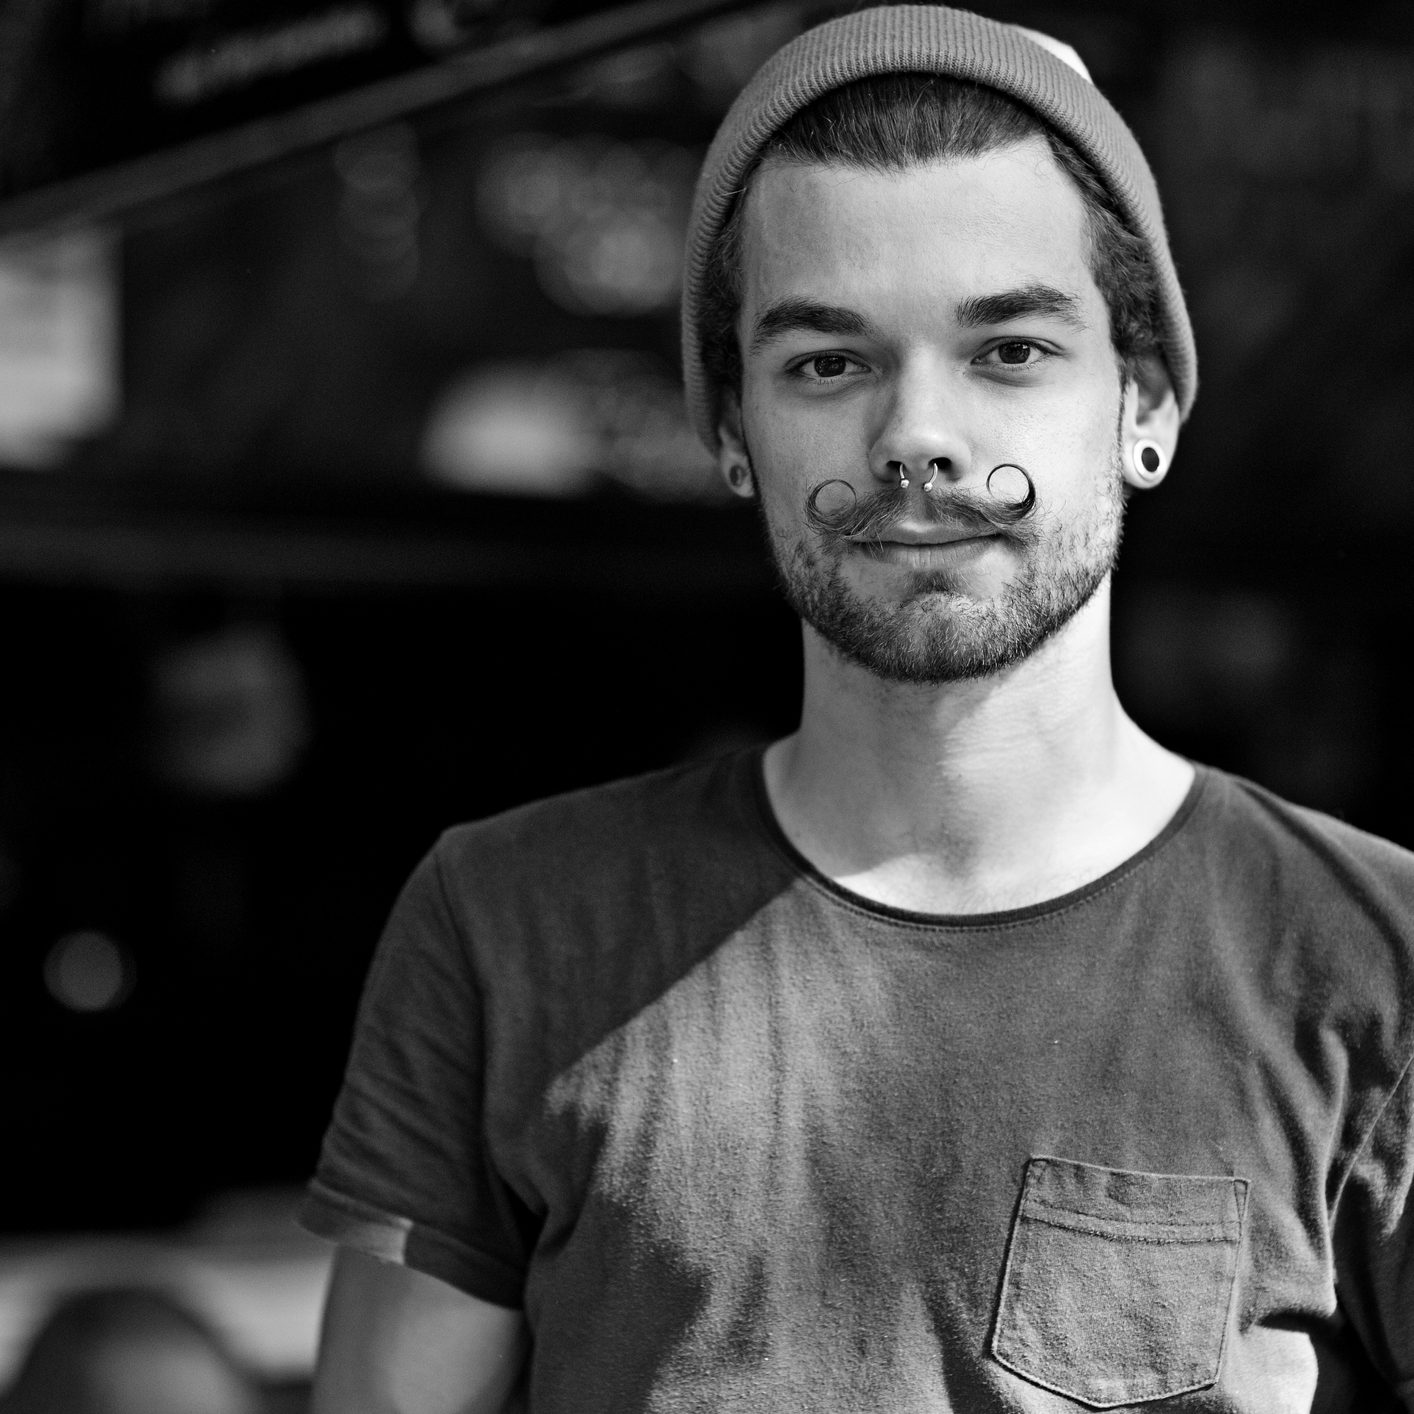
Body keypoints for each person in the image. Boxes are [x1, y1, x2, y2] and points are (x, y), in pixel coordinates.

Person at [300, 6, 1414, 1410]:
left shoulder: (1372, 967)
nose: (916, 439)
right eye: (828, 361)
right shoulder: (506, 922)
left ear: (1146, 401)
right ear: (728, 435)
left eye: (1006, 350)